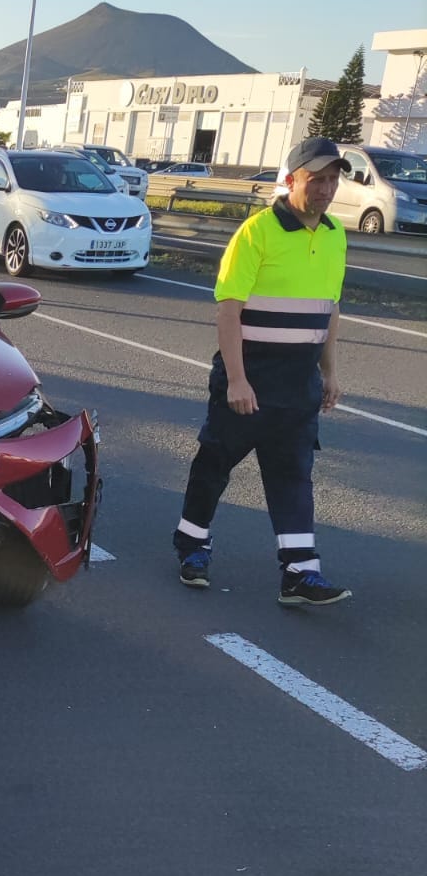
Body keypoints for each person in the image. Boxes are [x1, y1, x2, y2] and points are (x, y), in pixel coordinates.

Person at [172, 136, 351, 606]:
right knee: (214, 464)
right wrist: (235, 378)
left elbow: (329, 310)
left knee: (293, 475)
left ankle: (300, 572)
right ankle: (192, 546)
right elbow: (228, 311)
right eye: (317, 179)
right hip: (249, 377)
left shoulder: (335, 235)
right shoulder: (256, 232)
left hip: (299, 385)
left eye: (333, 180)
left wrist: (329, 374)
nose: (326, 189)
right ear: (292, 180)